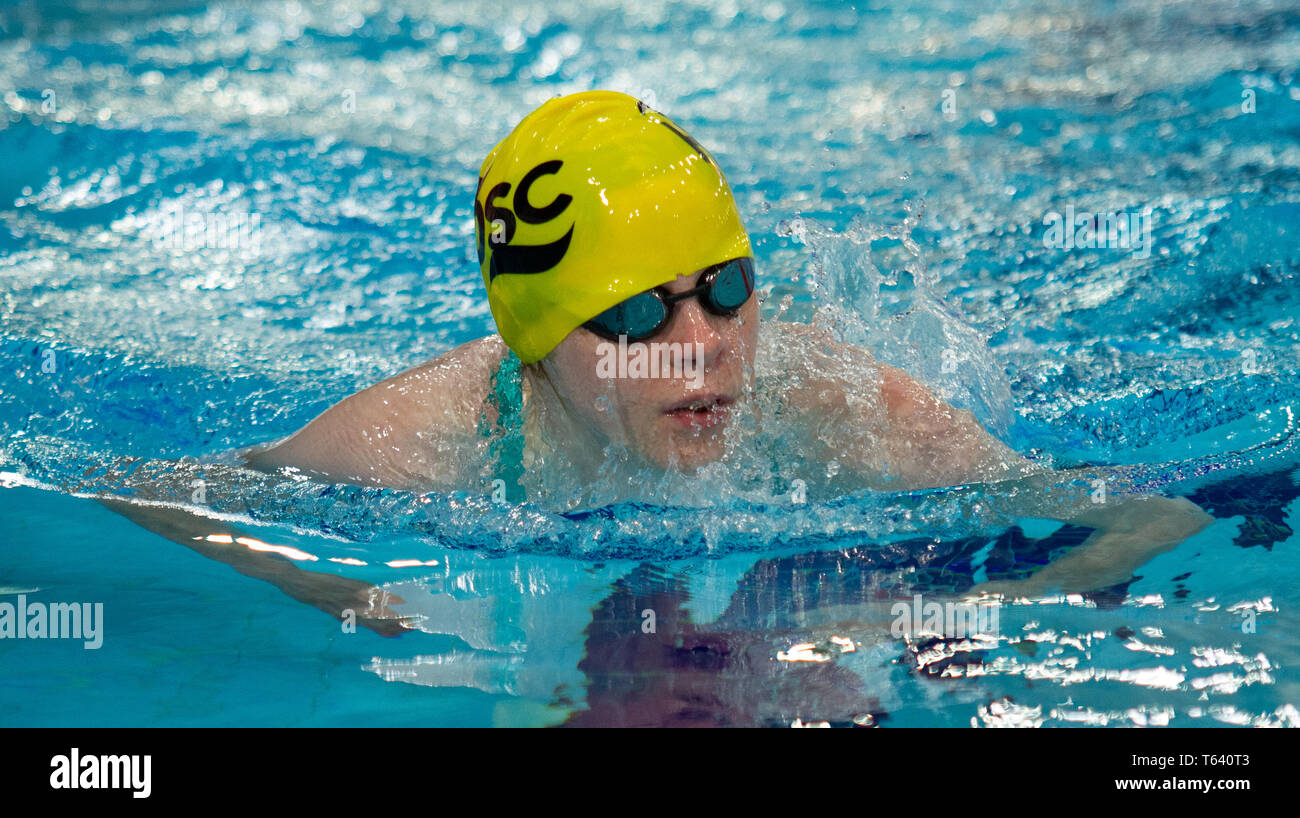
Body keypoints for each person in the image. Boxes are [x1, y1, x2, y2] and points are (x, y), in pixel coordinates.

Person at [235, 89, 1210, 597]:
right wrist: (356, 600)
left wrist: (931, 605)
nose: (701, 346)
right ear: (536, 345)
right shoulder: (425, 441)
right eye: (632, 313)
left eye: (724, 290)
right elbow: (172, 501)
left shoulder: (828, 403)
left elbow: (1147, 522)